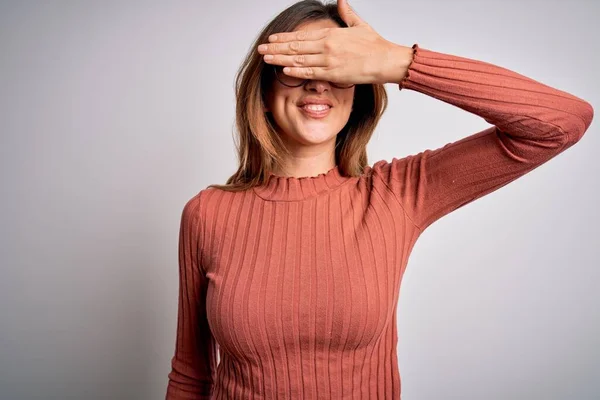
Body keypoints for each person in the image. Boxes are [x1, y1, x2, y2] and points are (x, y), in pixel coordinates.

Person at [165, 0, 594, 398]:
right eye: (298, 64)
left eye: (336, 67)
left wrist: (397, 61)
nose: (318, 83)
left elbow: (563, 121)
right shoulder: (208, 213)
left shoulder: (396, 194)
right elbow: (191, 374)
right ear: (263, 86)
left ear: (359, 88)